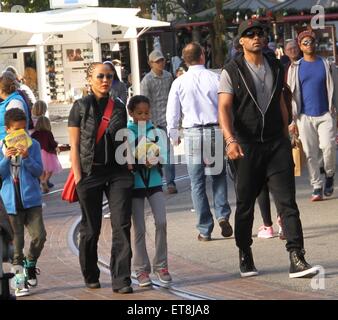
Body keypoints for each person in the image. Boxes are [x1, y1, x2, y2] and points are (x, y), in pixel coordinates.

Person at [218, 20, 318, 278]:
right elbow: (224, 108)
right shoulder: (231, 70)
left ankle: (297, 256)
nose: (256, 38)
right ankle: (245, 252)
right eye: (249, 35)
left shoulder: (275, 64)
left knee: (287, 202)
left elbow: (281, 101)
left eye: (260, 33)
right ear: (241, 41)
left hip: (276, 143)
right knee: (245, 204)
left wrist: (288, 133)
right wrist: (230, 140)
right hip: (246, 145)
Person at [68, 62, 134, 294]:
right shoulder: (79, 107)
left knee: (122, 224)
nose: (105, 80)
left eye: (109, 76)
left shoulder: (118, 106)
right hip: (90, 173)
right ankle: (90, 273)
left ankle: (122, 279)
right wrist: (78, 177)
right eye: (100, 76)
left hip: (117, 173)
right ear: (90, 79)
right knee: (91, 228)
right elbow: (74, 145)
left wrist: (128, 161)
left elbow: (124, 137)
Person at [167, 42, 233, 241]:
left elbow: (172, 111)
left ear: (184, 60)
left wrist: (173, 134)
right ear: (203, 55)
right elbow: (227, 106)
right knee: (219, 176)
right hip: (215, 130)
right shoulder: (216, 77)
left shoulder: (179, 82)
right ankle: (222, 214)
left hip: (193, 132)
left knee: (197, 182)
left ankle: (205, 229)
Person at [0, 108, 46, 297]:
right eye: (17, 130)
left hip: (31, 200)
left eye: (24, 129)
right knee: (16, 246)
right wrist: (5, 159)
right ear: (8, 130)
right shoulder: (1, 147)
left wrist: (27, 158)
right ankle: (19, 283)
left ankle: (31, 263)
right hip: (11, 204)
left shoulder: (33, 145)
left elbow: (38, 171)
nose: (22, 134)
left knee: (39, 236)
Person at [127, 95, 172, 287]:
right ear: (131, 113)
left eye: (147, 112)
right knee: (139, 229)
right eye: (140, 113)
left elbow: (164, 155)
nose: (144, 116)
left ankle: (161, 265)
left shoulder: (156, 131)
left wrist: (155, 159)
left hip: (154, 182)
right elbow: (124, 158)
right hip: (135, 185)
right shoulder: (126, 132)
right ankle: (141, 270)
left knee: (161, 222)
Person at [288, 29, 337, 201]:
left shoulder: (326, 64)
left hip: (325, 113)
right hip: (304, 116)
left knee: (328, 147)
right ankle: (317, 186)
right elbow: (290, 95)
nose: (309, 45)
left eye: (311, 42)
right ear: (300, 46)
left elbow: (334, 89)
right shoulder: (295, 67)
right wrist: (292, 120)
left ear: (315, 44)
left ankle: (329, 175)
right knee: (310, 152)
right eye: (305, 42)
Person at [141, 49, 177, 194]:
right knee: (155, 154)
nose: (161, 63)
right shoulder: (147, 81)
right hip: (154, 122)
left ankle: (170, 183)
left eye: (162, 60)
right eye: (157, 61)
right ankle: (157, 182)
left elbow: (174, 97)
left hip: (168, 120)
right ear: (151, 63)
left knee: (168, 153)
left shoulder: (169, 76)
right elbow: (143, 103)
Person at [31, 116, 62, 194]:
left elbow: (32, 142)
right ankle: (45, 181)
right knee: (50, 170)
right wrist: (56, 146)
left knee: (41, 170)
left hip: (38, 153)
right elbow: (52, 143)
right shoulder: (48, 133)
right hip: (47, 153)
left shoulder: (34, 133)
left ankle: (42, 181)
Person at [0, 71, 30, 140]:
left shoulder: (15, 102)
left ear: (1, 90)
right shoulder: (10, 101)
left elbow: (17, 131)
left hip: (11, 147)